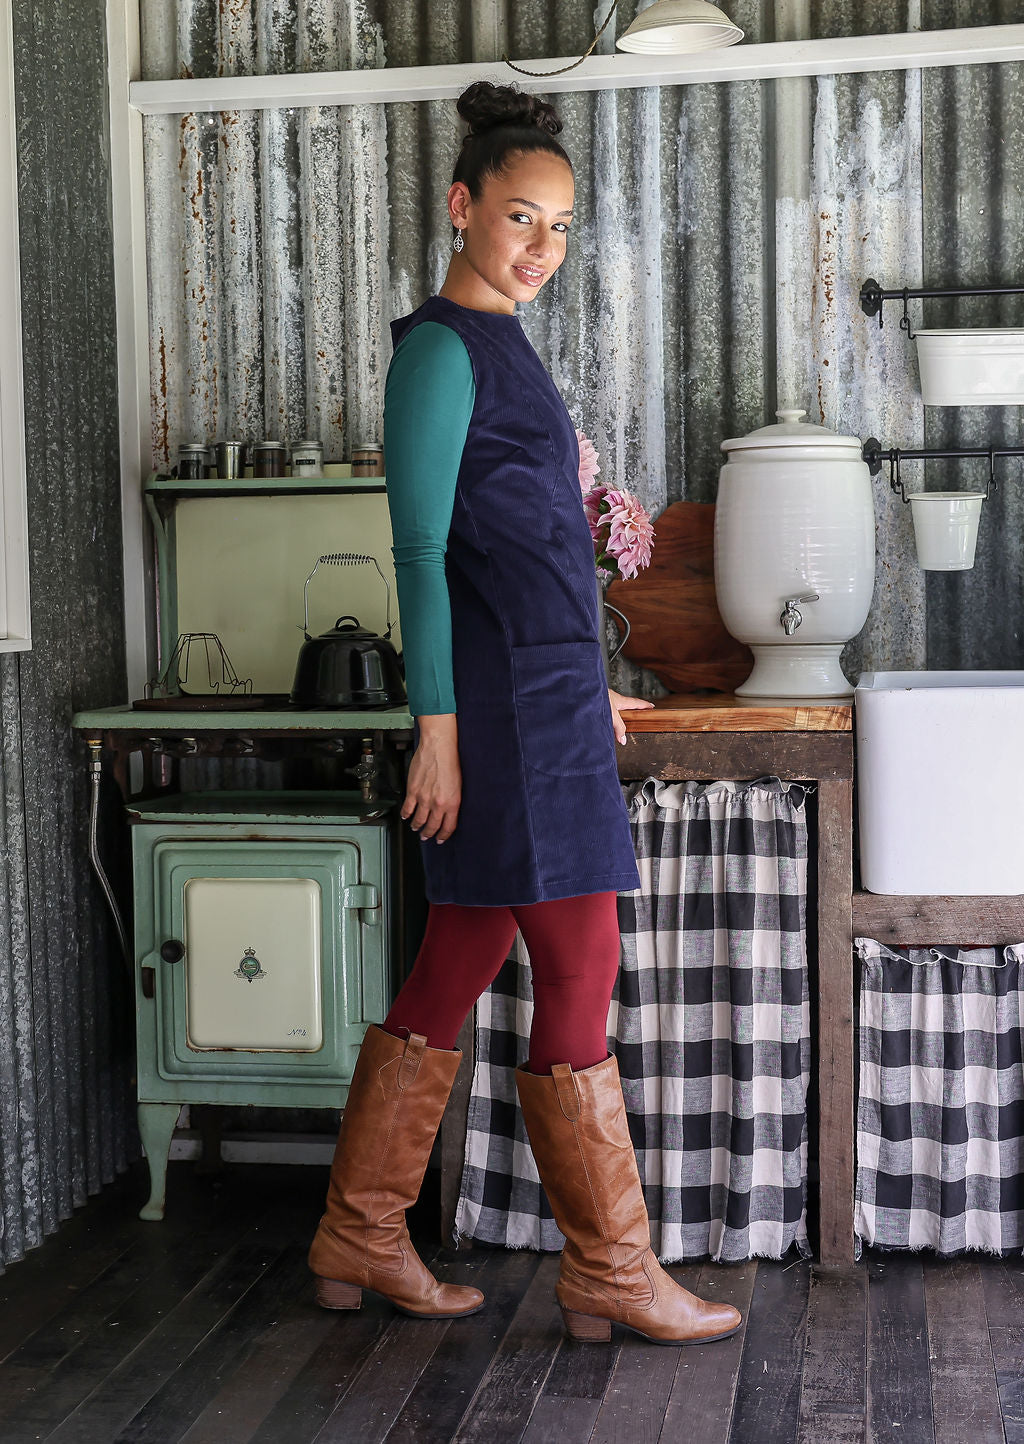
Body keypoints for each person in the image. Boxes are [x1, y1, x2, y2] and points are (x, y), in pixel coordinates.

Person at [307, 80, 741, 1348]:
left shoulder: (504, 342)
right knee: (581, 962)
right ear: (462, 206)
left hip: (540, 694)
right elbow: (426, 556)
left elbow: (525, 549)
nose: (540, 247)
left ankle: (358, 1231)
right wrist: (432, 728)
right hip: (492, 717)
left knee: (459, 956)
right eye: (518, 218)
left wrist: (576, 669)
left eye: (559, 226)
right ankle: (608, 1268)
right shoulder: (441, 348)